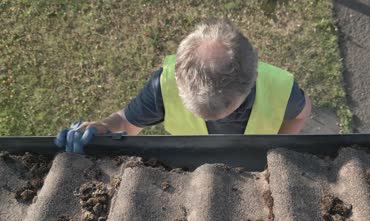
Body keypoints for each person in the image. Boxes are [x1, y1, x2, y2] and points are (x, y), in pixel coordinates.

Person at [55, 19, 311, 153]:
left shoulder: (280, 89)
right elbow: (124, 122)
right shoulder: (163, 86)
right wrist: (101, 128)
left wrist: (277, 147)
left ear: (251, 79)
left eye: (227, 110)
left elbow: (302, 113)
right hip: (196, 168)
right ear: (178, 77)